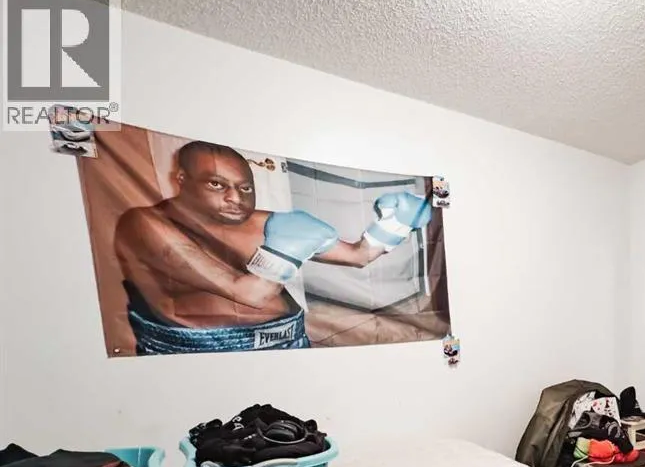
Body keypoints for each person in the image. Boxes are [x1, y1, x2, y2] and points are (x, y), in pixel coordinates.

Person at [114, 140, 430, 354]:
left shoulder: (264, 222)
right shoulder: (145, 223)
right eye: (216, 184)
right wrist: (283, 252)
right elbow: (251, 293)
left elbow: (359, 256)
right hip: (199, 350)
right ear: (182, 179)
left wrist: (393, 225)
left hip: (290, 336)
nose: (235, 198)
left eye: (245, 188)